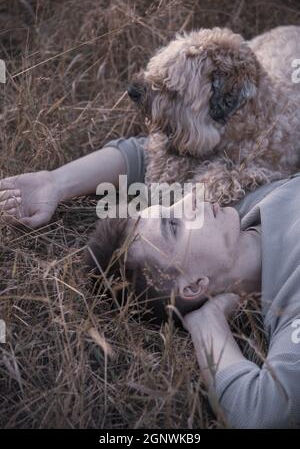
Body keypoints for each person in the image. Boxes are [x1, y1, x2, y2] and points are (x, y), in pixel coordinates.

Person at [1, 136, 300, 428]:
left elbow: (156, 154)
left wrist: (55, 181)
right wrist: (207, 324)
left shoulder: (242, 202)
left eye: (171, 206)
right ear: (193, 286)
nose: (192, 198)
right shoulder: (292, 302)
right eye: (173, 225)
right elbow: (261, 412)